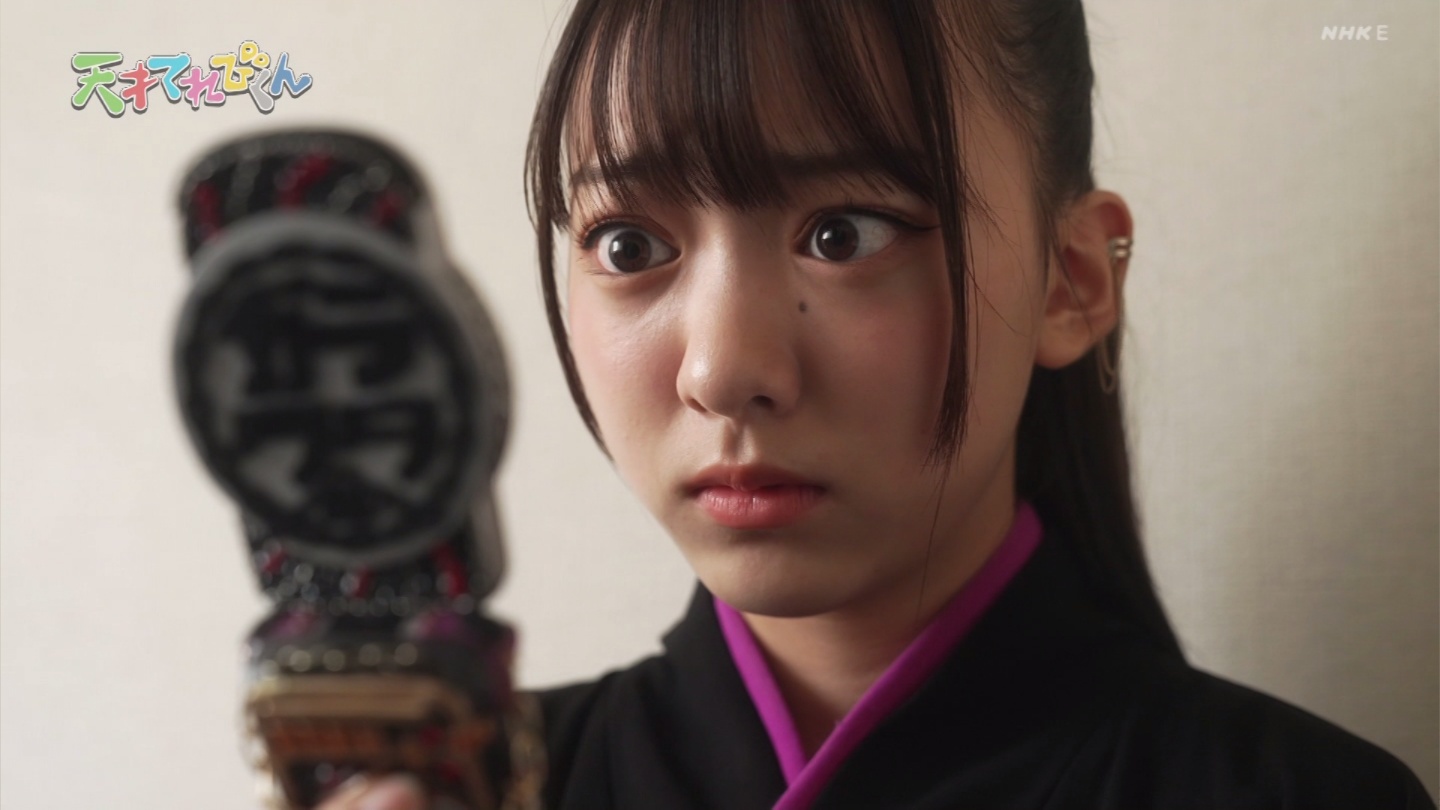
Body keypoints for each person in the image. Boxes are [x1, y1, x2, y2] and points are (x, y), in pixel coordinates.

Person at [323, 1, 1433, 808]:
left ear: (1071, 281)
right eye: (629, 246)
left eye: (843, 233)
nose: (723, 370)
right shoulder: (472, 789)